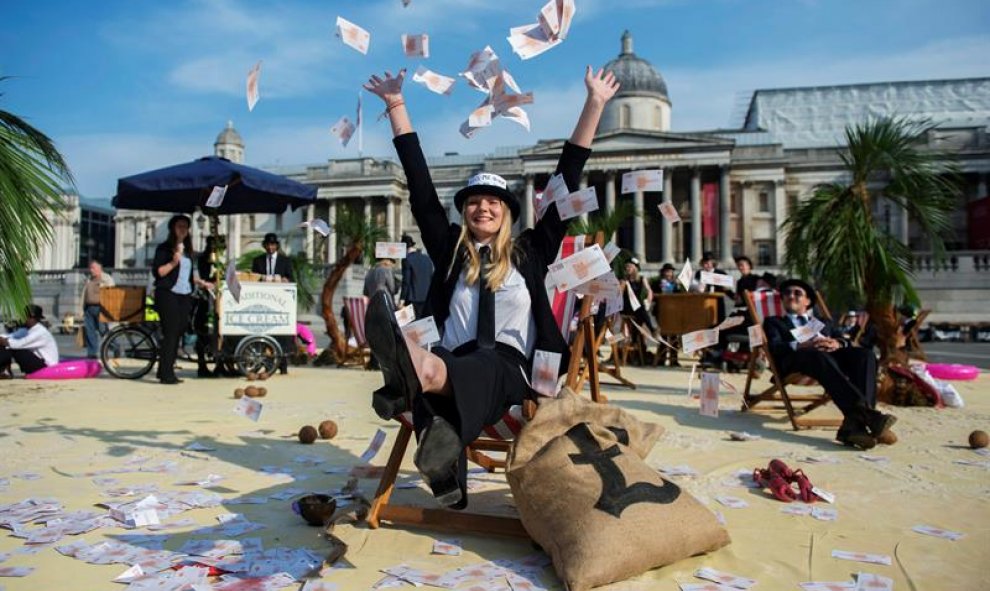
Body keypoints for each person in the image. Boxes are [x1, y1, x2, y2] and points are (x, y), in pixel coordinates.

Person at [362, 65, 619, 508]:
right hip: (453, 358)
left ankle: (409, 379)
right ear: (465, 211)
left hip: (511, 371)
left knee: (447, 370)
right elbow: (422, 192)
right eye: (475, 201)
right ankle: (446, 473)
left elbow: (566, 178)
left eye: (493, 202)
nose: (483, 207)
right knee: (444, 364)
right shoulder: (449, 253)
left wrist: (594, 103)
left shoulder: (532, 252)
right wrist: (396, 106)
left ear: (508, 212)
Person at [763, 278, 897, 450]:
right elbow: (774, 347)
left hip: (830, 359)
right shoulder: (775, 322)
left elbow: (841, 337)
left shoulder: (822, 322)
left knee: (866, 355)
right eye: (787, 293)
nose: (791, 296)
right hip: (797, 359)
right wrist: (802, 344)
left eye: (797, 293)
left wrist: (838, 343)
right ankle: (871, 418)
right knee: (816, 354)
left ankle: (854, 426)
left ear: (808, 301)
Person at [152, 215, 213, 385]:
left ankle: (163, 369)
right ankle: (166, 374)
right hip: (168, 294)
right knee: (171, 333)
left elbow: (187, 276)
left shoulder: (188, 251)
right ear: (172, 228)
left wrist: (201, 283)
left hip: (184, 294)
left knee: (178, 332)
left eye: (186, 227)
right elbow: (159, 273)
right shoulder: (164, 249)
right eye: (179, 226)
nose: (183, 230)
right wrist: (173, 261)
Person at [0, 305, 59, 378]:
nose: (21, 319)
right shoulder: (30, 330)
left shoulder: (40, 332)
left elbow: (19, 344)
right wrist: (3, 339)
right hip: (39, 362)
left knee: (13, 348)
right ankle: (4, 371)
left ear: (32, 318)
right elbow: (12, 336)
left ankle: (5, 371)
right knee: (7, 344)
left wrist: (5, 341)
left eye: (24, 317)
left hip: (46, 366)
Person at [80, 260, 115, 358]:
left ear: (100, 268)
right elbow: (83, 295)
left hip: (101, 308)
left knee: (103, 330)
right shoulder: (88, 279)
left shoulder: (107, 279)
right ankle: (92, 353)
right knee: (89, 332)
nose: (91, 270)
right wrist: (81, 310)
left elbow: (112, 294)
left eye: (93, 268)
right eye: (90, 268)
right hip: (88, 308)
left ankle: (115, 347)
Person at [399, 234, 434, 318]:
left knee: (410, 328)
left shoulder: (406, 260)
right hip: (426, 299)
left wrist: (402, 300)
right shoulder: (427, 259)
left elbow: (406, 281)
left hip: (412, 299)